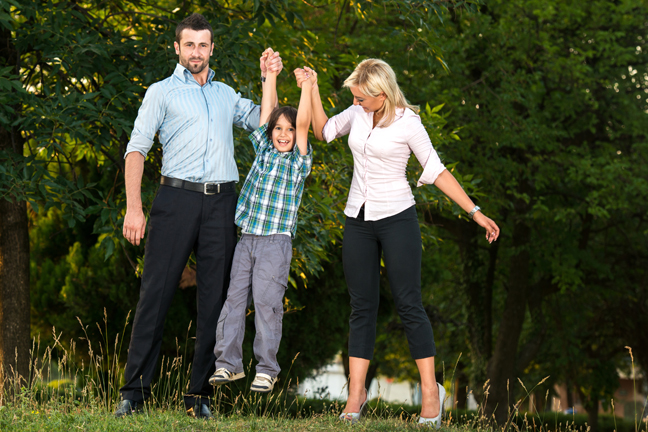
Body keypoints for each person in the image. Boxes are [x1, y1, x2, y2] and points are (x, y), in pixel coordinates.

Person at [299, 59, 500, 427]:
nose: (356, 102)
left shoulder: (409, 122)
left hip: (397, 218)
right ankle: (356, 394)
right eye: (354, 98)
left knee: (410, 304)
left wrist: (475, 212)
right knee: (362, 306)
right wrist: (310, 90)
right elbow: (324, 131)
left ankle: (429, 392)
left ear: (382, 94)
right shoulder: (358, 112)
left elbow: (436, 170)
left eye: (361, 97)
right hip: (357, 217)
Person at [116, 13, 283, 419]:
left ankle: (199, 396)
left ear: (211, 48)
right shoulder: (161, 92)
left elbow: (268, 122)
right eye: (188, 44)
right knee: (155, 295)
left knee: (217, 302)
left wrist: (269, 79)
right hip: (176, 201)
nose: (196, 51)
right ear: (177, 47)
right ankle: (134, 394)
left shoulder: (227, 94)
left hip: (223, 204)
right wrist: (134, 208)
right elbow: (136, 149)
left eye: (202, 45)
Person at [208, 63, 314, 393]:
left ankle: (267, 368)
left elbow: (305, 123)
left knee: (267, 304)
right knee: (234, 300)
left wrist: (307, 88)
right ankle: (228, 365)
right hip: (247, 239)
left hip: (275, 243)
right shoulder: (265, 151)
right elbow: (267, 112)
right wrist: (269, 76)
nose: (283, 133)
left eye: (289, 129)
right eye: (278, 129)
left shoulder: (298, 162)